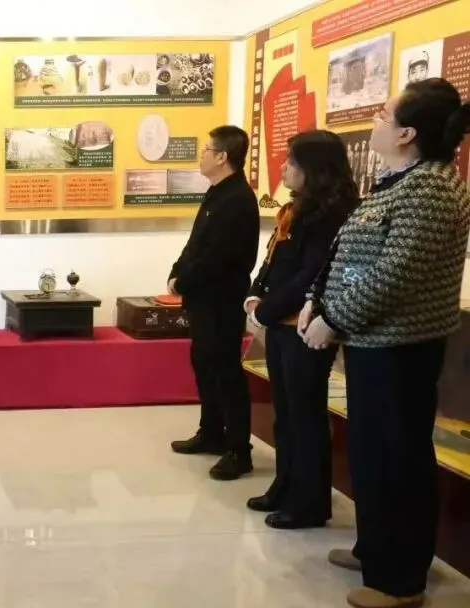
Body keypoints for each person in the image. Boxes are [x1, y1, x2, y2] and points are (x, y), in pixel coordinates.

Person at [300, 78, 470, 608]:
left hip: (401, 348)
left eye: (383, 115)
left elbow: (395, 274)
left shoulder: (432, 189)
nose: (374, 121)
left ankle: (401, 580)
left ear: (407, 133)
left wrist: (334, 319)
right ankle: (376, 549)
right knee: (372, 453)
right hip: (371, 342)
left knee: (399, 458)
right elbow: (346, 252)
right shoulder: (397, 182)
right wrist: (316, 299)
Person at [243, 131, 358, 530]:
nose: (284, 168)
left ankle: (309, 501)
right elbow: (273, 263)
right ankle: (285, 485)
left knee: (305, 415)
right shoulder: (296, 208)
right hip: (279, 323)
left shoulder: (332, 215)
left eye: (292, 161)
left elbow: (311, 275)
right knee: (286, 413)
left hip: (305, 327)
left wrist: (267, 311)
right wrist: (255, 298)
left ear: (315, 167)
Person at [168, 125, 260, 481]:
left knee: (225, 371)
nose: (201, 155)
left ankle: (238, 449)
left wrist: (183, 281)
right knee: (204, 363)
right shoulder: (217, 193)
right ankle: (211, 432)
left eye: (206, 150)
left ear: (222, 157)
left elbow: (217, 257)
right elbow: (196, 244)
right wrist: (176, 271)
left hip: (221, 298)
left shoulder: (238, 199)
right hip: (202, 298)